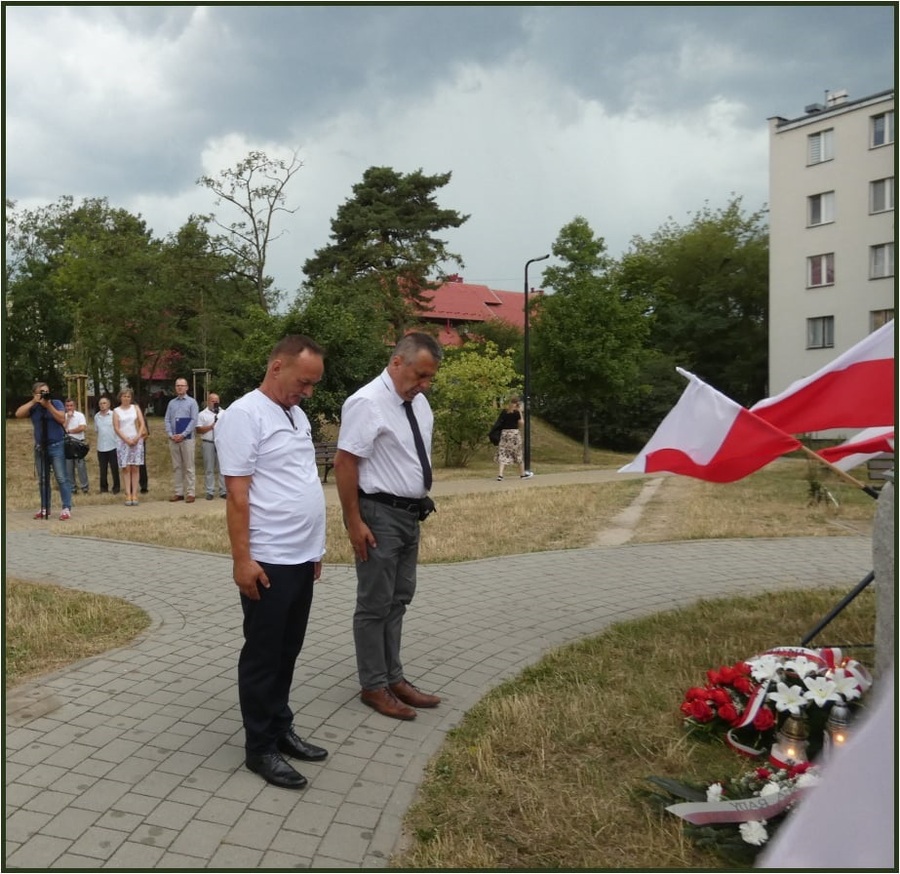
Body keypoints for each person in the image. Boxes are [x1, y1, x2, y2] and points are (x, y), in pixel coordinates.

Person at [216, 335, 329, 790]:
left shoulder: (295, 414)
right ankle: (259, 747)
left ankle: (281, 727)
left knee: (288, 650)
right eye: (304, 382)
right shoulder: (244, 415)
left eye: (314, 384)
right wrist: (242, 560)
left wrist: (316, 549)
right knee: (263, 656)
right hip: (268, 560)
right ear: (277, 367)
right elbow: (237, 496)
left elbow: (299, 480)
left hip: (300, 557)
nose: (308, 392)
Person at [333, 332, 443, 721]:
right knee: (374, 603)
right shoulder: (367, 402)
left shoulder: (419, 403)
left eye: (430, 377)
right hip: (378, 515)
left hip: (410, 515)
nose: (424, 384)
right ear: (397, 362)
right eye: (420, 375)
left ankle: (394, 678)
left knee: (399, 599)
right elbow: (345, 464)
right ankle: (373, 685)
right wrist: (354, 522)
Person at [15, 381, 73, 520]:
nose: (45, 394)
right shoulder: (34, 406)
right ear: (35, 394)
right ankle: (45, 507)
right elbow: (18, 414)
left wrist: (48, 406)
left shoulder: (56, 403)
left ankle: (66, 508)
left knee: (61, 478)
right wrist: (33, 401)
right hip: (40, 448)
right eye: (41, 392)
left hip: (56, 445)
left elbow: (62, 419)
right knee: (43, 479)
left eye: (46, 391)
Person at [165, 377, 199, 503]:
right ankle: (178, 492)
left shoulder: (192, 402)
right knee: (177, 466)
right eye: (177, 385)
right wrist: (170, 434)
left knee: (189, 466)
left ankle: (191, 492)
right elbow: (167, 419)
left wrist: (183, 434)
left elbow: (194, 420)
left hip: (187, 439)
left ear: (187, 387)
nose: (179, 387)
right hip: (174, 439)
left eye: (182, 385)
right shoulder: (171, 403)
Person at [113, 388, 148, 506]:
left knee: (135, 467)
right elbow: (116, 428)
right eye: (124, 396)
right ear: (120, 397)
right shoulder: (116, 411)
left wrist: (138, 437)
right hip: (123, 441)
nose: (126, 398)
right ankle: (128, 493)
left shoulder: (136, 408)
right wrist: (126, 440)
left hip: (136, 440)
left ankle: (135, 493)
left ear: (131, 398)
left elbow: (142, 423)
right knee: (126, 468)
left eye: (128, 396)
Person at [196, 392, 227, 500]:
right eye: (213, 401)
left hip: (221, 443)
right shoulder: (202, 414)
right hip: (208, 442)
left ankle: (223, 491)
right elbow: (198, 430)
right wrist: (211, 427)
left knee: (222, 468)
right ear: (208, 402)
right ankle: (210, 491)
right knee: (209, 468)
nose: (215, 403)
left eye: (216, 401)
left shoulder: (224, 413)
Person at [493, 396, 532, 481]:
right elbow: (521, 424)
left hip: (504, 434)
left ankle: (500, 475)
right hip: (514, 434)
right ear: (518, 404)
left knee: (503, 453)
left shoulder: (504, 411)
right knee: (518, 453)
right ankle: (522, 474)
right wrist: (520, 412)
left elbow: (500, 422)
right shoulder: (517, 413)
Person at [93, 396, 121, 495]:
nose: (102, 405)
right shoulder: (97, 416)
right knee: (103, 469)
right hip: (101, 447)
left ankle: (116, 487)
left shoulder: (114, 415)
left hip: (113, 446)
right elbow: (96, 430)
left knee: (114, 468)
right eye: (100, 404)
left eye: (104, 403)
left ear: (109, 404)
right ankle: (103, 488)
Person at [63, 398, 90, 494]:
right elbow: (62, 429)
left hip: (78, 443)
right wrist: (68, 419)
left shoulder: (80, 415)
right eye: (67, 406)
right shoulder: (63, 416)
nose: (69, 408)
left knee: (81, 466)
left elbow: (82, 427)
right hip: (67, 444)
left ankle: (85, 487)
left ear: (74, 406)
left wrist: (70, 431)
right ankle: (72, 488)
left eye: (71, 405)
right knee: (69, 467)